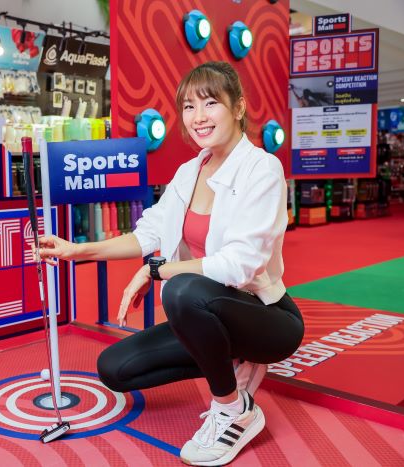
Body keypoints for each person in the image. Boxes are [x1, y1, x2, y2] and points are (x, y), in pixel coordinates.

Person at [37, 61, 304, 466]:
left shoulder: (262, 169)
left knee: (180, 290)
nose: (198, 117)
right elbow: (148, 234)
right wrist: (77, 250)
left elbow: (239, 266)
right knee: (115, 369)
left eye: (210, 103)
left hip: (267, 318)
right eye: (189, 106)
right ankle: (229, 359)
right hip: (208, 311)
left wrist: (157, 270)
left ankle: (234, 409)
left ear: (237, 107)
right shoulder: (188, 172)